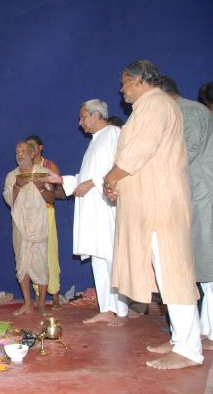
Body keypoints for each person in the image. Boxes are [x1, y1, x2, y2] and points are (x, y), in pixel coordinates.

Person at [103, 59, 202, 370]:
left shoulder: (155, 104)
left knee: (174, 274)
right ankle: (178, 339)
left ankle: (189, 350)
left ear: (140, 80)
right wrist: (117, 181)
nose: (121, 89)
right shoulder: (150, 106)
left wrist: (112, 177)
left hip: (161, 206)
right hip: (152, 205)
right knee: (165, 273)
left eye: (124, 83)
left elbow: (139, 150)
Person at [43, 99, 128, 326]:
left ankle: (121, 311)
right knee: (99, 259)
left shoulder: (114, 133)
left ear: (96, 115)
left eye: (83, 117)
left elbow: (120, 168)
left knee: (110, 256)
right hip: (92, 209)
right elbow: (84, 177)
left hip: (106, 206)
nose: (80, 123)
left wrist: (91, 183)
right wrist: (60, 179)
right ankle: (106, 308)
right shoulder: (95, 141)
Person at [160, 75, 213, 351]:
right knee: (203, 269)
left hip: (204, 196)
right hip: (195, 196)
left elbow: (187, 151)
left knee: (209, 267)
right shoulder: (187, 111)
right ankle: (205, 330)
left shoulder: (189, 111)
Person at [3, 142, 54, 315]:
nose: (20, 155)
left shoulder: (42, 172)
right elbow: (9, 201)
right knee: (21, 265)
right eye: (17, 152)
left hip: (39, 225)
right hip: (20, 225)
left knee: (41, 265)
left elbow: (51, 198)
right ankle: (27, 303)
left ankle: (41, 303)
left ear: (32, 154)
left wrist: (41, 188)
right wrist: (17, 186)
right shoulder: (11, 176)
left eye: (24, 151)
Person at [25, 135, 61, 308]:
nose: (29, 149)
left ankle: (54, 294)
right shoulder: (25, 168)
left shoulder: (49, 166)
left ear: (40, 148)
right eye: (27, 147)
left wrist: (46, 190)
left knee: (50, 253)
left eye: (32, 145)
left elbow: (59, 191)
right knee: (32, 256)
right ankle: (39, 296)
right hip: (30, 216)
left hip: (46, 212)